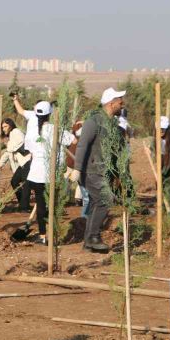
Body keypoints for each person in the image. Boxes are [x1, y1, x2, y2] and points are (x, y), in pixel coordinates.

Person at [72, 87, 125, 252]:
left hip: (103, 172)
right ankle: (94, 237)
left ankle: (89, 241)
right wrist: (77, 169)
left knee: (97, 203)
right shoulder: (93, 121)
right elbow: (82, 145)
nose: (122, 104)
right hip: (90, 171)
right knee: (105, 200)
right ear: (111, 103)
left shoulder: (112, 124)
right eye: (120, 101)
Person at [0, 118, 30, 209]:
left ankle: (24, 207)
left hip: (27, 160)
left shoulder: (16, 131)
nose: (4, 129)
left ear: (11, 125)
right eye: (2, 127)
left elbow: (21, 141)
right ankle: (23, 204)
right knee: (15, 181)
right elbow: (8, 153)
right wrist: (0, 164)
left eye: (5, 126)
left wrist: (10, 146)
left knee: (25, 184)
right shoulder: (11, 136)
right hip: (22, 163)